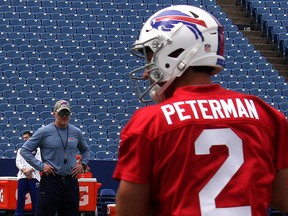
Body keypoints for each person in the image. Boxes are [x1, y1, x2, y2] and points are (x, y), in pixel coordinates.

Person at [113, 5, 288, 216]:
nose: (147, 71)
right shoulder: (265, 114)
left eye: (151, 56)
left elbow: (131, 209)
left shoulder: (150, 122)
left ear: (174, 52)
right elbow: (282, 197)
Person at [20, 100, 90, 216]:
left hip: (70, 181)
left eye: (67, 113)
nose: (64, 116)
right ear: (54, 114)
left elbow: (86, 150)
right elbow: (24, 150)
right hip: (51, 180)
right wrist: (41, 166)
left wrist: (82, 164)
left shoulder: (76, 132)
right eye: (61, 113)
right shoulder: (44, 132)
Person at [15, 131, 41, 216]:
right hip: (22, 176)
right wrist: (24, 170)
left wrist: (30, 170)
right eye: (24, 138)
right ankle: (19, 214)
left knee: (35, 198)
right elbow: (18, 162)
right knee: (21, 198)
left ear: (31, 138)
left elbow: (39, 162)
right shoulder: (20, 150)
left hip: (34, 177)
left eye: (26, 137)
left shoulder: (38, 150)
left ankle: (36, 214)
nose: (25, 139)